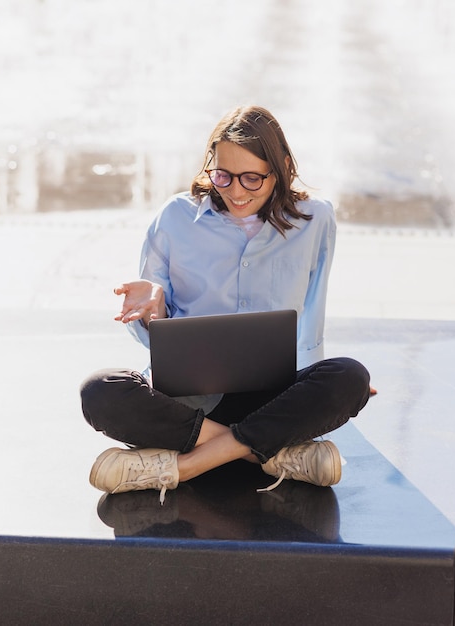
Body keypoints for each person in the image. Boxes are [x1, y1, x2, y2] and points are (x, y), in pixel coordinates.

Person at [81, 105, 372, 505]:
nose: (236, 191)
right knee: (99, 391)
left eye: (252, 178)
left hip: (271, 395)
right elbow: (153, 332)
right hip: (188, 405)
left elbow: (312, 315)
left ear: (281, 168)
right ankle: (272, 455)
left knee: (350, 376)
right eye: (223, 176)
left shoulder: (314, 218)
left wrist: (319, 386)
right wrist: (154, 310)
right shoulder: (175, 217)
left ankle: (181, 467)